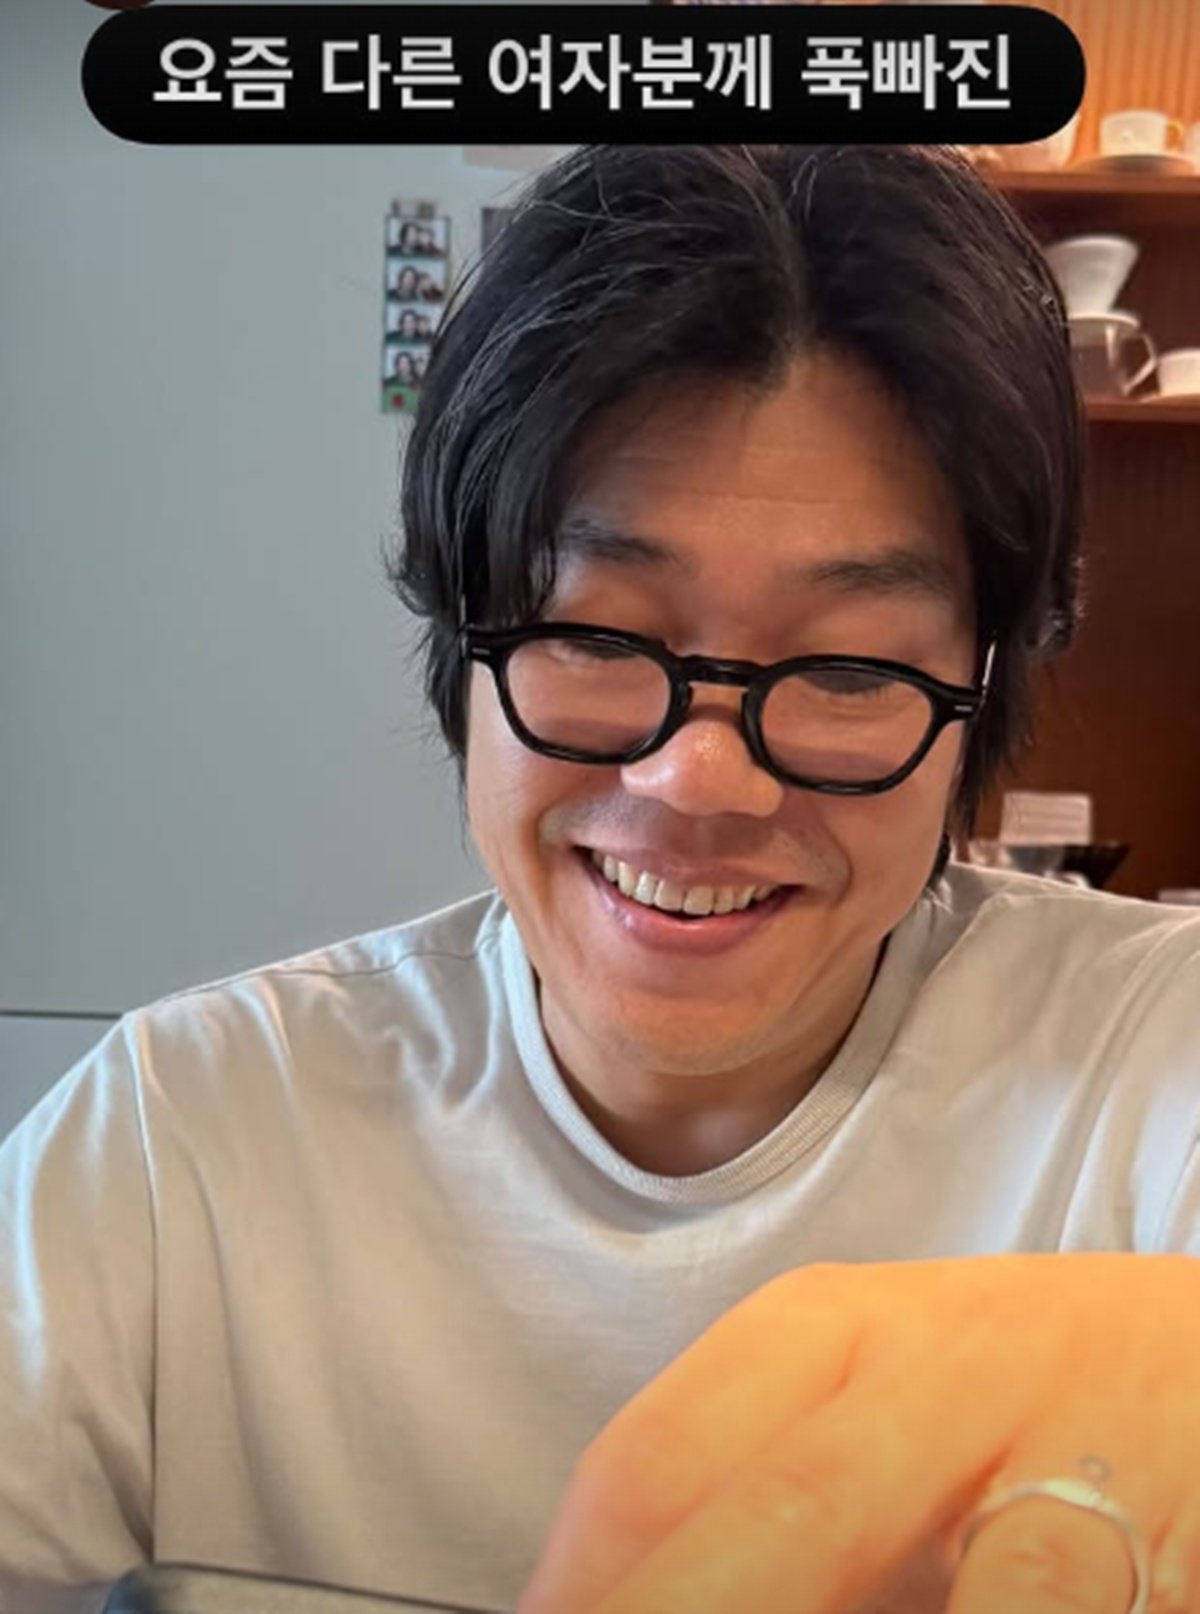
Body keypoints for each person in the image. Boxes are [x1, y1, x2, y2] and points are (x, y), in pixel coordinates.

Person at [2, 144, 1198, 1614]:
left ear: (980, 696)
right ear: (463, 643)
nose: (699, 778)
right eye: (592, 630)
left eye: (847, 665)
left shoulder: (1153, 1062)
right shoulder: (178, 1143)